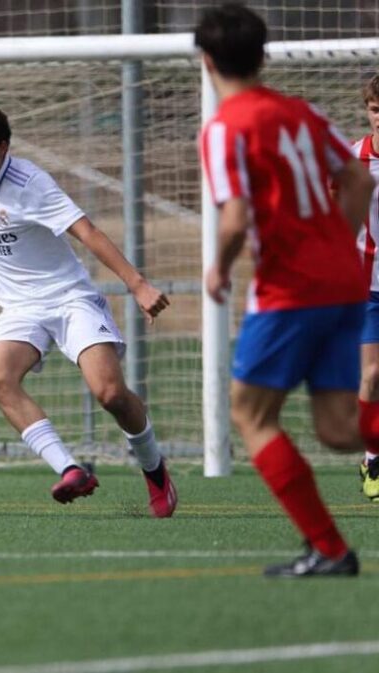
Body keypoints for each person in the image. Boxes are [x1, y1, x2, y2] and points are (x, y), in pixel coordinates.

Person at [198, 3, 376, 576]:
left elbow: (234, 220)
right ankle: (329, 551)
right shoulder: (301, 111)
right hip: (344, 280)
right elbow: (359, 177)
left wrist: (219, 268)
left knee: (250, 414)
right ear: (262, 54)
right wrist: (334, 241)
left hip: (290, 290)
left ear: (206, 62)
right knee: (340, 429)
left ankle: (329, 549)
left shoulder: (225, 126)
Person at [0, 103, 177, 517]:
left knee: (109, 394)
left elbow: (86, 231)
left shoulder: (32, 183)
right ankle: (72, 470)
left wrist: (138, 285)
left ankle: (155, 471)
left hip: (70, 299)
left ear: (3, 148)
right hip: (20, 307)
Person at [353, 73, 379, 502]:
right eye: (376, 109)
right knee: (372, 374)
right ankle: (372, 457)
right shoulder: (352, 158)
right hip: (366, 287)